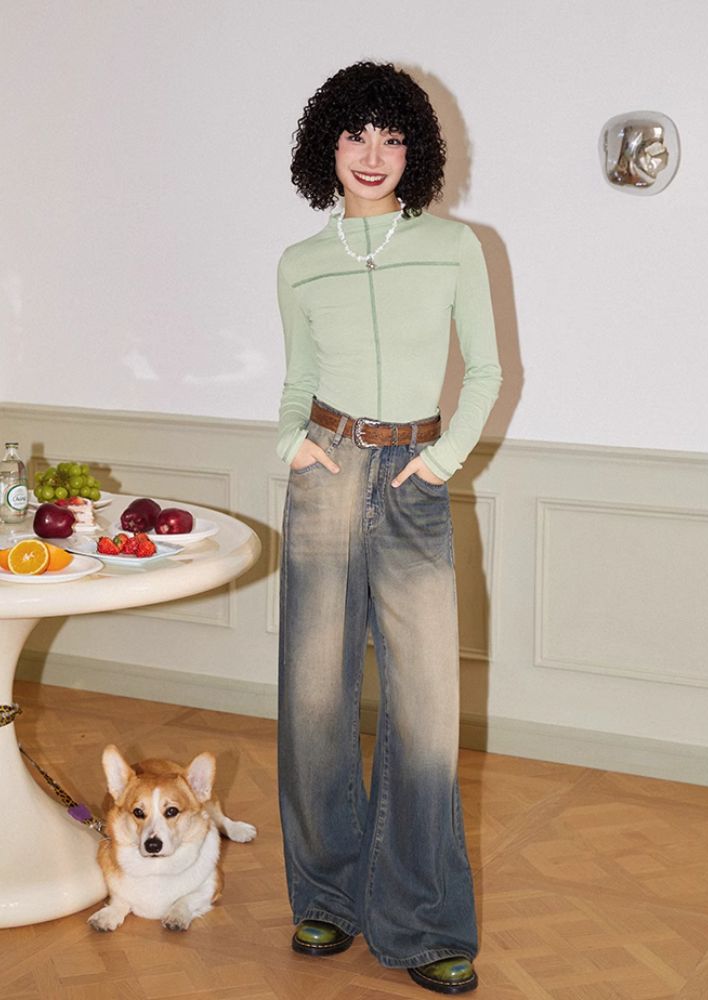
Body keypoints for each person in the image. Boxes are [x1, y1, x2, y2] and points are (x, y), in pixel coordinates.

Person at [276, 61, 501, 995]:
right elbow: (298, 377)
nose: (373, 155)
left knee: (427, 710)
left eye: (393, 137)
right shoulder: (300, 263)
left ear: (417, 151)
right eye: (355, 135)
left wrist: (441, 462)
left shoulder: (453, 247)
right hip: (326, 472)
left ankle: (424, 920)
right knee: (314, 701)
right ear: (326, 146)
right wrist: (290, 441)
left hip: (414, 477)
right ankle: (328, 899)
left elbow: (486, 372)